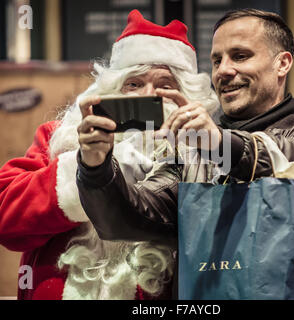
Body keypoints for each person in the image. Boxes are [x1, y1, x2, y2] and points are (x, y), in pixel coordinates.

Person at [76, 8, 294, 299]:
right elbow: (122, 219)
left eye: (240, 56)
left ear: (282, 63)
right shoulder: (190, 158)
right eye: (217, 60)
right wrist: (95, 165)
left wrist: (222, 144)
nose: (223, 70)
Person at [0, 9, 219, 299]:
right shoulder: (60, 138)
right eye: (134, 84)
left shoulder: (201, 157)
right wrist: (83, 171)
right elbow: (6, 218)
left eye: (165, 86)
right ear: (111, 90)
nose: (147, 95)